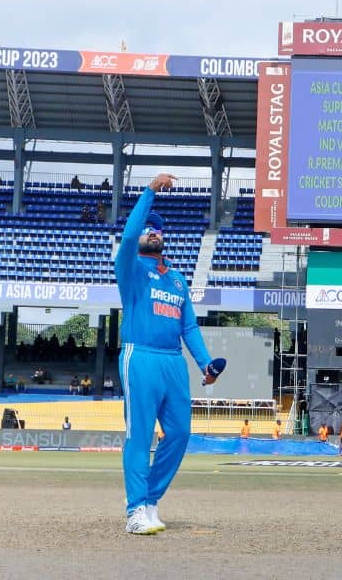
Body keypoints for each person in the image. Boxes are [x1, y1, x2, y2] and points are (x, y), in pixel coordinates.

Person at [116, 173, 224, 535]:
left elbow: (188, 327)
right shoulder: (130, 270)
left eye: (158, 229)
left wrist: (205, 363)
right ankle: (135, 512)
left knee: (179, 434)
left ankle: (149, 500)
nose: (152, 232)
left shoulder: (177, 279)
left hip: (173, 361)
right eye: (148, 228)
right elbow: (130, 237)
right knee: (139, 435)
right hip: (140, 357)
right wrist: (148, 192)